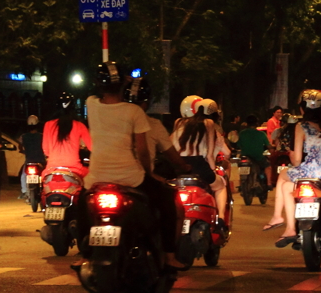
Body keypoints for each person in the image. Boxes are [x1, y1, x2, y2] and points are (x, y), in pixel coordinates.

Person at [81, 63, 183, 269]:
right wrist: (149, 174)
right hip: (131, 178)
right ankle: (169, 255)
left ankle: (84, 255)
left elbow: (96, 93)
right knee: (167, 200)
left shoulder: (91, 104)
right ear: (122, 84)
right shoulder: (134, 112)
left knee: (80, 204)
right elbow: (143, 151)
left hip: (97, 178)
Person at [264, 90, 321, 249]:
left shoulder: (301, 126)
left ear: (303, 108)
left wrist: (293, 155)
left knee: (283, 177)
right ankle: (287, 226)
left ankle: (281, 220)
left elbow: (296, 161)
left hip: (310, 172)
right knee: (288, 186)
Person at [171, 97, 231, 221]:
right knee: (220, 186)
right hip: (198, 165)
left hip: (177, 165)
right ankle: (220, 219)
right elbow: (209, 155)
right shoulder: (208, 123)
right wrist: (212, 170)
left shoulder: (178, 122)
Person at [124, 78, 189, 182]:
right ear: (147, 102)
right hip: (140, 180)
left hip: (107, 178)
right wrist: (185, 167)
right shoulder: (153, 125)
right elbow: (171, 156)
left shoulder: (110, 119)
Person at [42, 92, 91, 179]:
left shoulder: (48, 125)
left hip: (52, 169)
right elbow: (92, 147)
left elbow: (46, 150)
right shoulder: (80, 125)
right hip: (75, 170)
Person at [237, 114, 272, 187]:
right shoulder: (261, 134)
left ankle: (241, 184)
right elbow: (268, 146)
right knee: (268, 166)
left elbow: (238, 145)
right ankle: (269, 184)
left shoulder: (242, 133)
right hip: (258, 157)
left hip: (245, 156)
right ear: (257, 123)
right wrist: (272, 149)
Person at [18, 115, 45, 201]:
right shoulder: (42, 136)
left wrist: (23, 151)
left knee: (23, 175)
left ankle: (24, 191)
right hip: (41, 160)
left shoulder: (23, 136)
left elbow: (20, 146)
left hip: (29, 161)